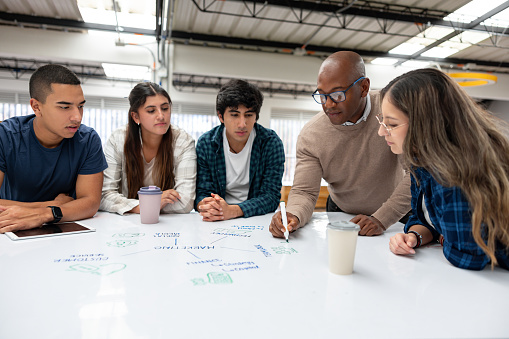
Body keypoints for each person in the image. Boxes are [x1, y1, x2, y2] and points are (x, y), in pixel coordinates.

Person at [269, 51, 411, 238]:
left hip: (395, 215)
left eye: (337, 94)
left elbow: (415, 175)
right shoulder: (312, 135)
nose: (328, 105)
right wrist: (292, 215)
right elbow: (305, 191)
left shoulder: (392, 110)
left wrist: (382, 218)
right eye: (321, 95)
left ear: (363, 87)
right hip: (341, 214)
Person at [381, 68, 509, 270]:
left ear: (424, 125)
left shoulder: (453, 174)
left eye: (392, 124)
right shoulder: (422, 164)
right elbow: (423, 216)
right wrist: (415, 236)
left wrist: (439, 236)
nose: (382, 132)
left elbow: (467, 256)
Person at [0, 64, 107, 233]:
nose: (77, 117)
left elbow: (90, 203)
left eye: (80, 106)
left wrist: (46, 214)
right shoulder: (5, 136)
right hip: (10, 227)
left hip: (61, 227)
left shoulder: (88, 140)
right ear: (36, 107)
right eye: (64, 107)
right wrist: (51, 206)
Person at [195, 79, 285, 221]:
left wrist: (233, 211)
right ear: (221, 116)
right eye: (235, 114)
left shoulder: (270, 143)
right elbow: (202, 192)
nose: (242, 124)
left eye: (248, 115)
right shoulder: (206, 143)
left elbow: (271, 196)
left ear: (256, 116)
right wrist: (208, 206)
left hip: (255, 218)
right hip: (217, 218)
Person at [100, 82, 196, 215]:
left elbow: (185, 202)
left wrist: (133, 206)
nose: (161, 116)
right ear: (135, 116)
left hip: (168, 225)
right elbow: (104, 195)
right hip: (126, 224)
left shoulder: (183, 141)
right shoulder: (118, 139)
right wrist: (150, 204)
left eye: (165, 108)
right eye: (151, 111)